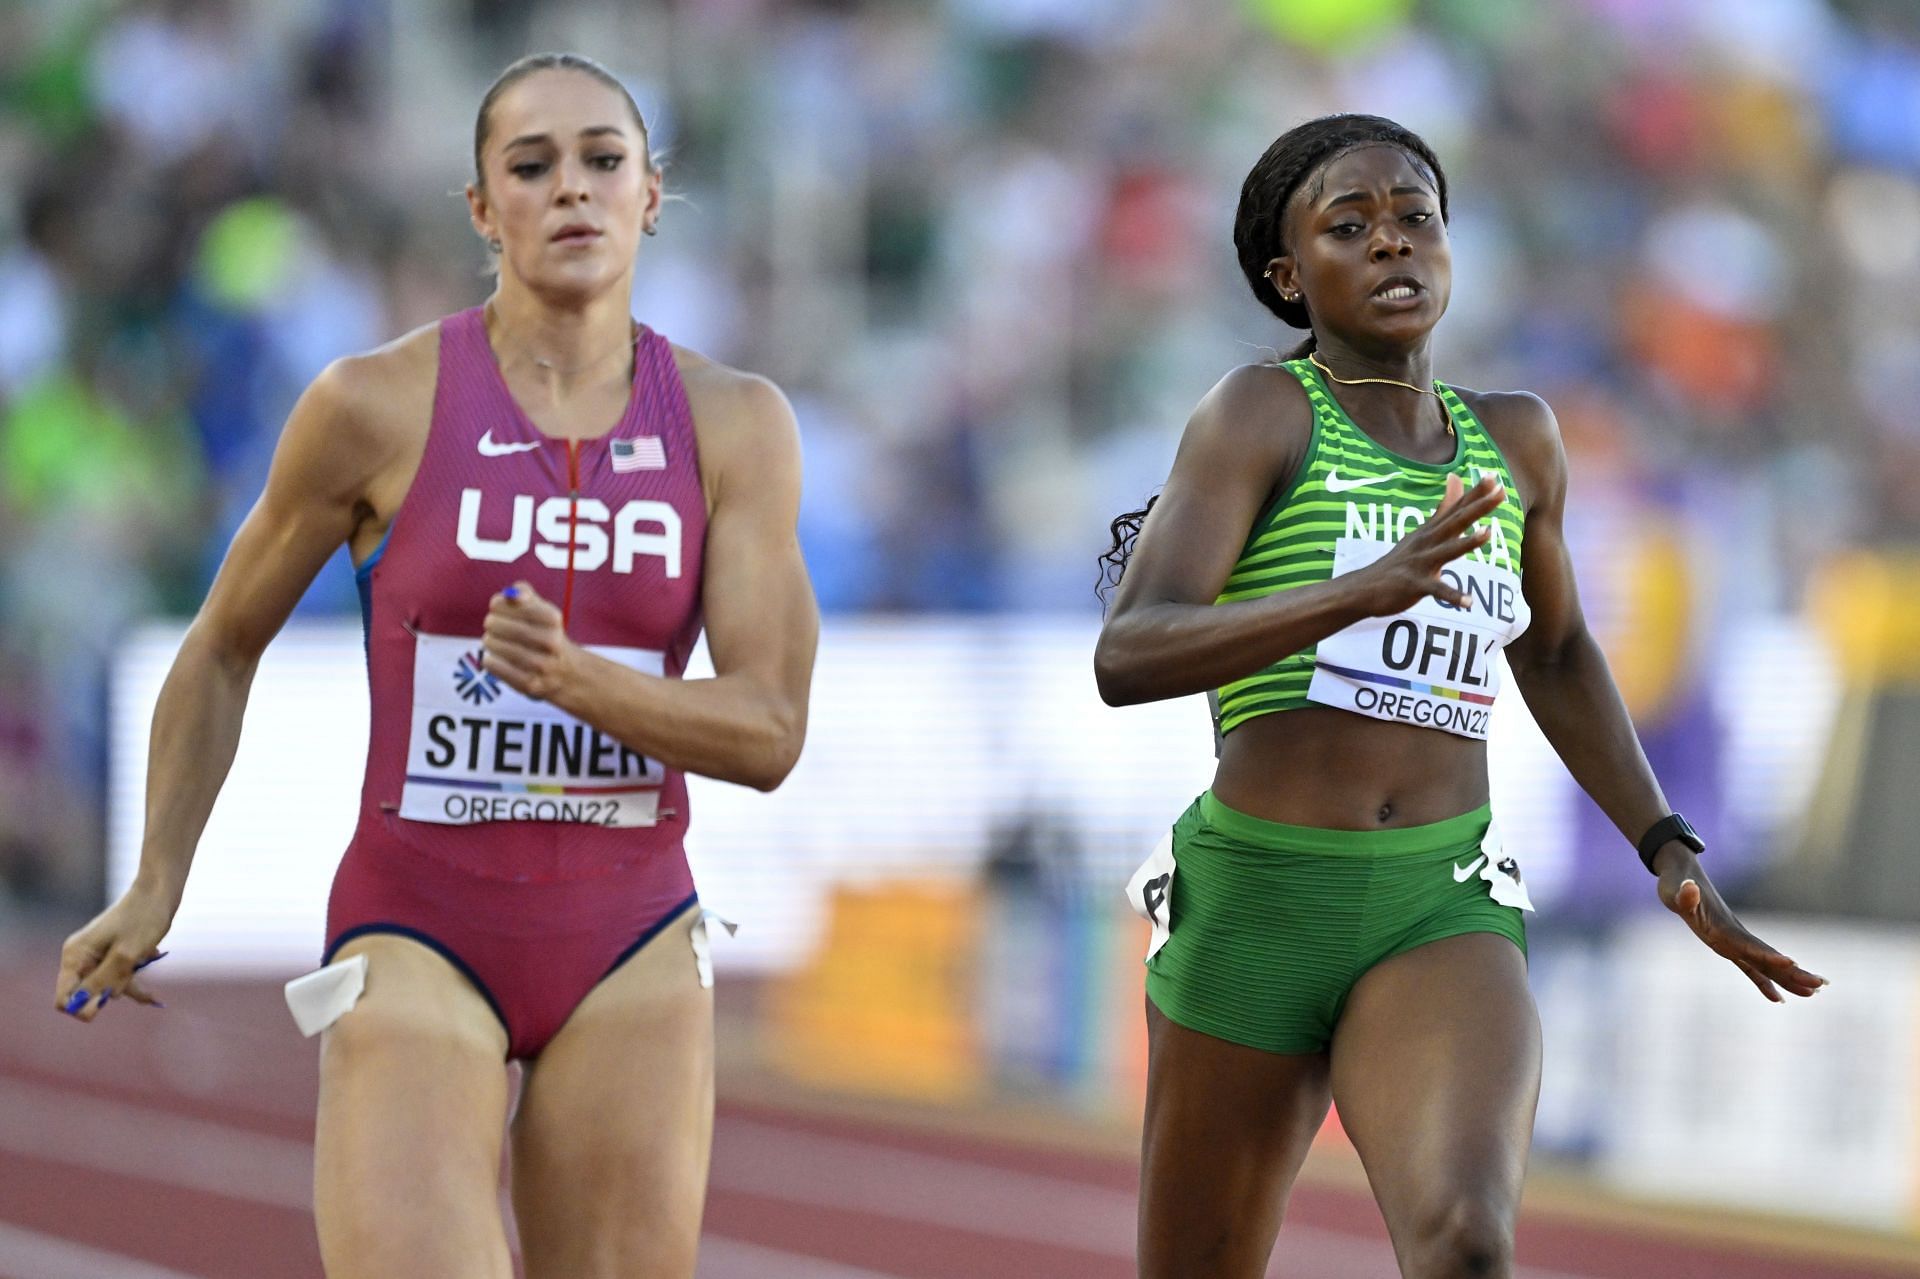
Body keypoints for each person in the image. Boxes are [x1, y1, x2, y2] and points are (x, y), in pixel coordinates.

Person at [54, 52, 819, 1279]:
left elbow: (771, 730)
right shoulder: (375, 404)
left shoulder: (734, 425)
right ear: (481, 207)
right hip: (418, 921)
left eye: (602, 161)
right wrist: (156, 880)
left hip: (630, 933)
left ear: (652, 194)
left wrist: (584, 684)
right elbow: (218, 648)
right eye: (531, 166)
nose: (572, 189)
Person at [1094, 113, 1825, 1279]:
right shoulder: (1260, 415)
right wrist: (1354, 593)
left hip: (1438, 901)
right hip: (1258, 896)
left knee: (1468, 1243)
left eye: (1415, 218)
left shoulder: (1519, 440)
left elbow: (1559, 651)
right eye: (1350, 226)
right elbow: (1128, 654)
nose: (1393, 245)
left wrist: (1664, 840)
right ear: (1291, 276)